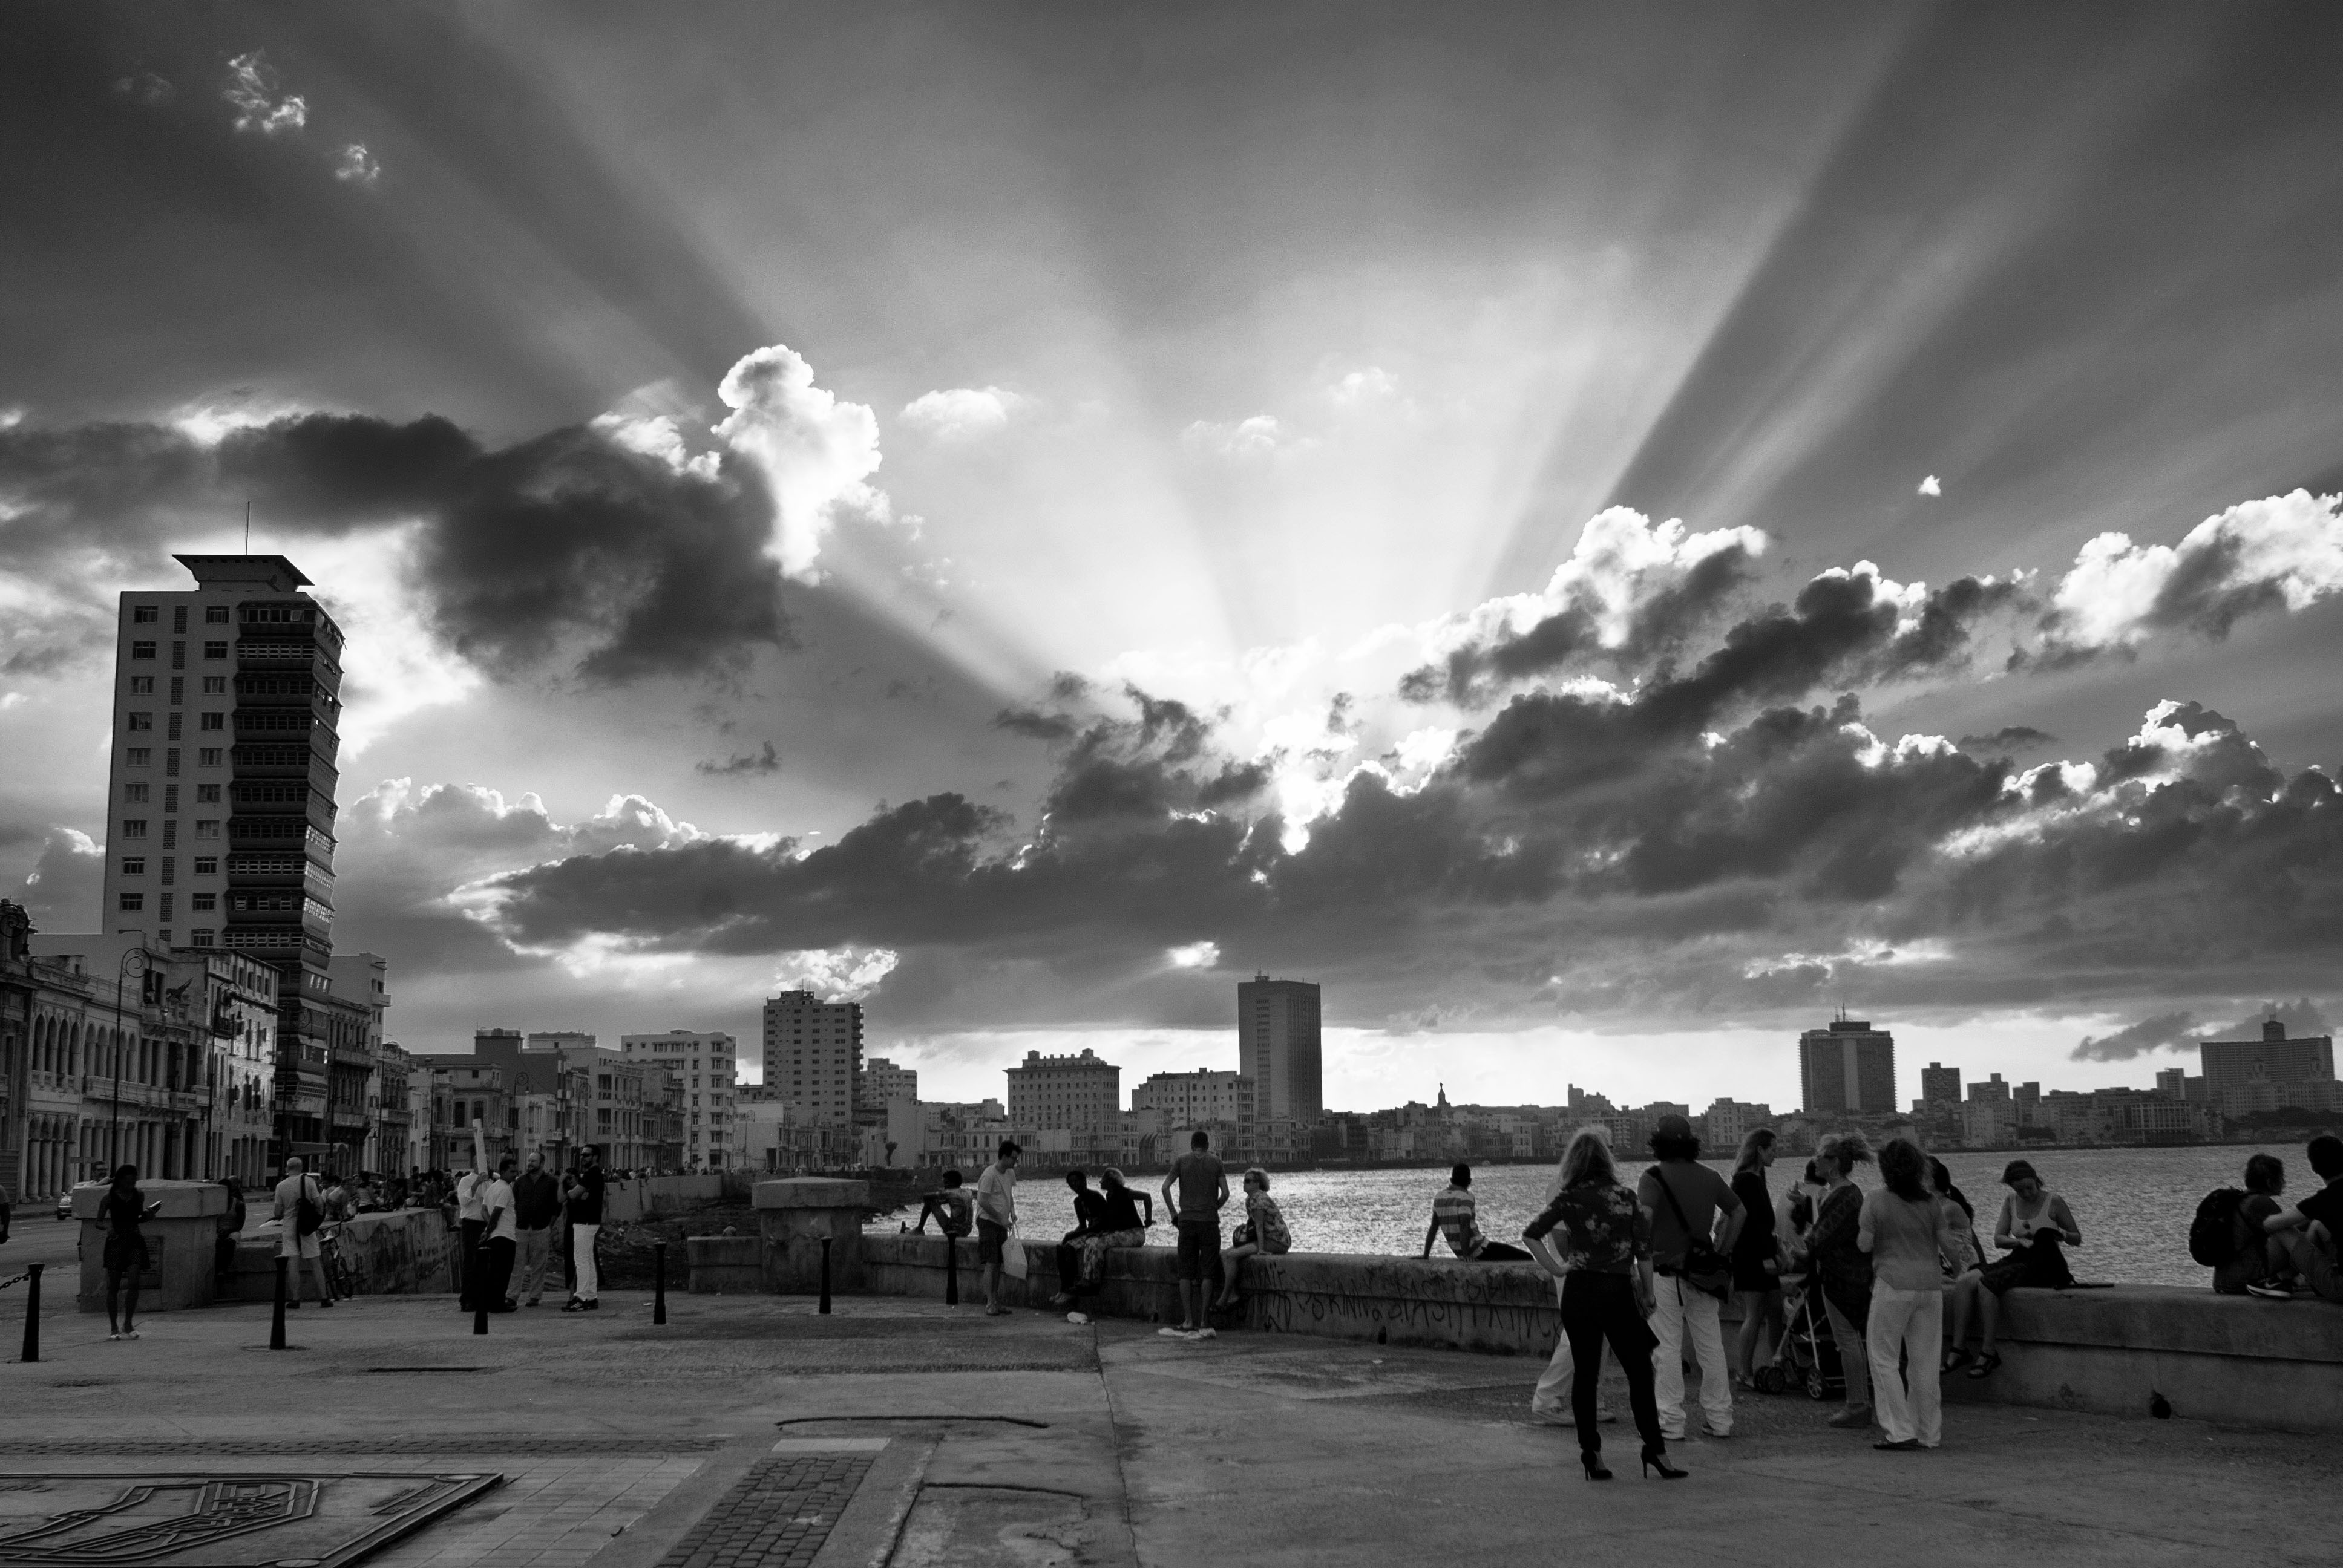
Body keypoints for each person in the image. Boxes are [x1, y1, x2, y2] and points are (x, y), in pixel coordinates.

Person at [1522, 1126, 1684, 1481]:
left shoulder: (1568, 1198)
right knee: (1640, 1372)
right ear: (1606, 1160)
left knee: (1586, 1374)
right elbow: (1643, 1251)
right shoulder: (1625, 1198)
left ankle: (1592, 1454)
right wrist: (1648, 1293)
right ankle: (1656, 1451)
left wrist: (1559, 1268)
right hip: (1617, 1292)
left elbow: (1531, 1234)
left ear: (1574, 1162)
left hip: (1580, 1291)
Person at [1638, 1114, 1743, 1441]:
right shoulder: (1710, 1176)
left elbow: (1645, 1218)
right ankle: (1720, 1419)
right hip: (1702, 1272)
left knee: (1667, 1347)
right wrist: (1723, 1252)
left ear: (1658, 1142)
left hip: (1665, 1272)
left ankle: (1670, 1421)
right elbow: (1739, 1212)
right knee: (1711, 1346)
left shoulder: (1652, 1177)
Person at [1860, 1139, 1964, 1451]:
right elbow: (1948, 1246)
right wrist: (1957, 1271)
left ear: (1884, 1168)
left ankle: (1898, 1430)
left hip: (1893, 1285)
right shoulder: (1931, 1203)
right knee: (1926, 1363)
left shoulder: (1875, 1200)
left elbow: (1864, 1245)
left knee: (1883, 1358)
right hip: (1930, 1288)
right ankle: (1928, 1433)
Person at [1948, 1158, 2081, 1377]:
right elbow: (1999, 1239)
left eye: (2030, 1188)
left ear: (2036, 1180)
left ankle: (1988, 1351)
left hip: (2045, 1262)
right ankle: (1958, 1347)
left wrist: (2063, 1235)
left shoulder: (2054, 1201)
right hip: (2019, 1255)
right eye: (2020, 1191)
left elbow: (2077, 1238)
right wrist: (2019, 1241)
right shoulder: (2010, 1201)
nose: (2027, 1194)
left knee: (1987, 1284)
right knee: (1964, 1282)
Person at [1529, 1131, 1620, 1428]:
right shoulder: (1562, 1186)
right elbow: (1556, 1235)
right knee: (1577, 1337)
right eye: (1607, 1148)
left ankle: (1591, 1399)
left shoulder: (1590, 1186)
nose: (1611, 1152)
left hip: (1594, 1270)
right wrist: (1571, 1267)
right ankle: (1547, 1399)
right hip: (1577, 1272)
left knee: (1599, 1337)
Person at [1789, 1131, 1873, 1429]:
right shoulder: (1845, 1193)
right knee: (1850, 1340)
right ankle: (1858, 1402)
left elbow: (1820, 1241)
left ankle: (1857, 1405)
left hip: (1842, 1279)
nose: (1815, 1161)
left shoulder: (1844, 1196)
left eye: (1820, 1157)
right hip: (1847, 1276)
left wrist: (1793, 1252)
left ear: (1834, 1164)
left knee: (1847, 1341)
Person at [1728, 1128, 1783, 1392]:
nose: (1776, 1153)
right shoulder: (1746, 1181)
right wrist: (1768, 1257)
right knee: (1755, 1311)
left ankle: (1779, 1366)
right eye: (1772, 1148)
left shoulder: (1757, 1177)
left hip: (1762, 1253)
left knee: (1775, 1308)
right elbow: (1752, 1226)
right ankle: (1744, 1371)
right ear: (1759, 1150)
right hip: (1751, 1256)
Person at [1161, 1130, 1229, 1338]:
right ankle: (1203, 1321)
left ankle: (1188, 1320)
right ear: (1207, 1145)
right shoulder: (1216, 1162)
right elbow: (1226, 1193)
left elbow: (1165, 1188)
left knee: (1186, 1272)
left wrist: (1175, 1213)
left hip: (1187, 1222)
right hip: (1209, 1222)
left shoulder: (1181, 1161)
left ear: (1192, 1145)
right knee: (1208, 1272)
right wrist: (1214, 1208)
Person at [2260, 1134, 2343, 1303]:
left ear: (2314, 1169)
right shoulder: (2325, 1203)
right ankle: (2294, 1278)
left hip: (2340, 1288)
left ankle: (2267, 1279)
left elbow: (2270, 1225)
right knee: (2316, 1225)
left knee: (2283, 1230)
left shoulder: (2324, 1200)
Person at [98, 1164, 162, 1341]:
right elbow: (99, 1221)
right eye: (127, 1182)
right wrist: (108, 1227)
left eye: (133, 1182)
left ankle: (128, 1322)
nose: (130, 1186)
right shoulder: (108, 1198)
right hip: (116, 1242)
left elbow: (138, 1218)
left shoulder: (139, 1195)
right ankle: (113, 1326)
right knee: (114, 1285)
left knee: (134, 1281)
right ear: (120, 1181)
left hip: (134, 1240)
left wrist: (149, 1216)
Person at [1214, 1166, 1291, 1310]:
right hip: (1268, 1239)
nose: (1244, 1183)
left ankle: (1226, 1298)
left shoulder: (1258, 1198)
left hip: (1276, 1241)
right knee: (1225, 1255)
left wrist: (1261, 1249)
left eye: (1248, 1181)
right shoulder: (1252, 1198)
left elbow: (1260, 1226)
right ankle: (1231, 1295)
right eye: (1244, 1181)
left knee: (1231, 1257)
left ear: (1258, 1184)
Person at [1422, 1164, 1533, 1263]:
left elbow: (1433, 1228)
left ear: (1451, 1180)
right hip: (1479, 1250)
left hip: (1461, 1253)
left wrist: (1426, 1255)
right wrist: (1466, 1255)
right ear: (1470, 1181)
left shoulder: (1439, 1197)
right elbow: (1464, 1225)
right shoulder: (1466, 1197)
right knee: (1527, 1258)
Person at [1075, 1168, 1153, 1300]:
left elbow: (1146, 1197)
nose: (1100, 1181)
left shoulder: (1124, 1193)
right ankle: (1086, 1278)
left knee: (1099, 1245)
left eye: (1103, 1179)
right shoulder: (1109, 1196)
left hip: (1134, 1234)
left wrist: (1148, 1219)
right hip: (1122, 1233)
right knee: (1090, 1242)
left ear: (1110, 1182)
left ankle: (1095, 1282)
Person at [272, 1155, 335, 1310]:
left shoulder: (281, 1186)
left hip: (290, 1226)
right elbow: (319, 1204)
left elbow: (278, 1211)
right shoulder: (309, 1182)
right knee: (315, 1262)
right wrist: (315, 1220)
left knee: (293, 1262)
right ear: (301, 1168)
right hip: (306, 1227)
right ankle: (324, 1298)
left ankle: (296, 1299)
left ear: (287, 1169)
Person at [1050, 1168, 1109, 1310]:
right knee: (1062, 1247)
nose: (1075, 1186)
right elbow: (1083, 1225)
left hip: (1100, 1233)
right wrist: (1072, 1234)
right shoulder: (1078, 1202)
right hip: (1089, 1232)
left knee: (1070, 1248)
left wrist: (1075, 1235)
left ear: (1084, 1182)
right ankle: (1064, 1288)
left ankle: (1070, 1289)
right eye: (1071, 1184)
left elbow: (1101, 1224)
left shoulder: (1096, 1197)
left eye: (1077, 1182)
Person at [975, 1139, 1021, 1317]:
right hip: (988, 1222)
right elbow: (983, 1202)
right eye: (1013, 1158)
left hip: (1001, 1222)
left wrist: (1012, 1211)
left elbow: (1008, 1193)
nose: (1015, 1162)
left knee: (999, 1264)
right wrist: (1001, 1218)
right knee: (991, 1262)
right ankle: (989, 1303)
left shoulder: (1009, 1173)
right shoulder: (989, 1175)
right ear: (1003, 1156)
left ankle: (995, 1301)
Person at [511, 1151, 562, 1307]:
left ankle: (535, 1296)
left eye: (533, 1161)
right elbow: (514, 1203)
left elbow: (557, 1207)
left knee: (539, 1265)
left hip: (541, 1228)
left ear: (542, 1163)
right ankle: (512, 1296)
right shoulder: (520, 1182)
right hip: (521, 1228)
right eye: (529, 1161)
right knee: (516, 1264)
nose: (530, 1163)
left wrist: (549, 1226)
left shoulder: (551, 1183)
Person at [560, 1145, 607, 1312]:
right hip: (591, 1221)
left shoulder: (590, 1174)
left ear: (595, 1157)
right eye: (581, 1154)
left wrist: (577, 1193)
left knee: (581, 1260)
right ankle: (592, 1296)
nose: (582, 1157)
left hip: (584, 1221)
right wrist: (581, 1194)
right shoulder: (596, 1174)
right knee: (588, 1260)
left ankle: (581, 1297)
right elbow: (579, 1194)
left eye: (586, 1155)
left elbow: (572, 1195)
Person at [479, 1155, 519, 1312]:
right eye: (512, 1171)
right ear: (503, 1172)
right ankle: (498, 1303)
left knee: (494, 1270)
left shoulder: (491, 1188)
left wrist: (488, 1230)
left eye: (516, 1171)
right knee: (503, 1271)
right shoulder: (506, 1189)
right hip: (505, 1236)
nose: (515, 1174)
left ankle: (492, 1301)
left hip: (495, 1236)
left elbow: (483, 1211)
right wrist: (491, 1228)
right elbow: (497, 1212)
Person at [912, 1169, 975, 1237]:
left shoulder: (949, 1193)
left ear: (952, 1183)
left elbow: (926, 1196)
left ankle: (919, 1230)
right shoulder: (969, 1192)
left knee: (930, 1201)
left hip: (953, 1230)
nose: (945, 1186)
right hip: (967, 1230)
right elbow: (956, 1201)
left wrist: (937, 1202)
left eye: (946, 1183)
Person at [214, 1176, 247, 1294]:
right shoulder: (215, 1204)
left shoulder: (238, 1204)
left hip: (232, 1231)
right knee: (217, 1243)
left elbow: (240, 1224)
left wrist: (227, 1231)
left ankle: (222, 1270)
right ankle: (218, 1270)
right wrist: (218, 1230)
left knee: (230, 1243)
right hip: (217, 1232)